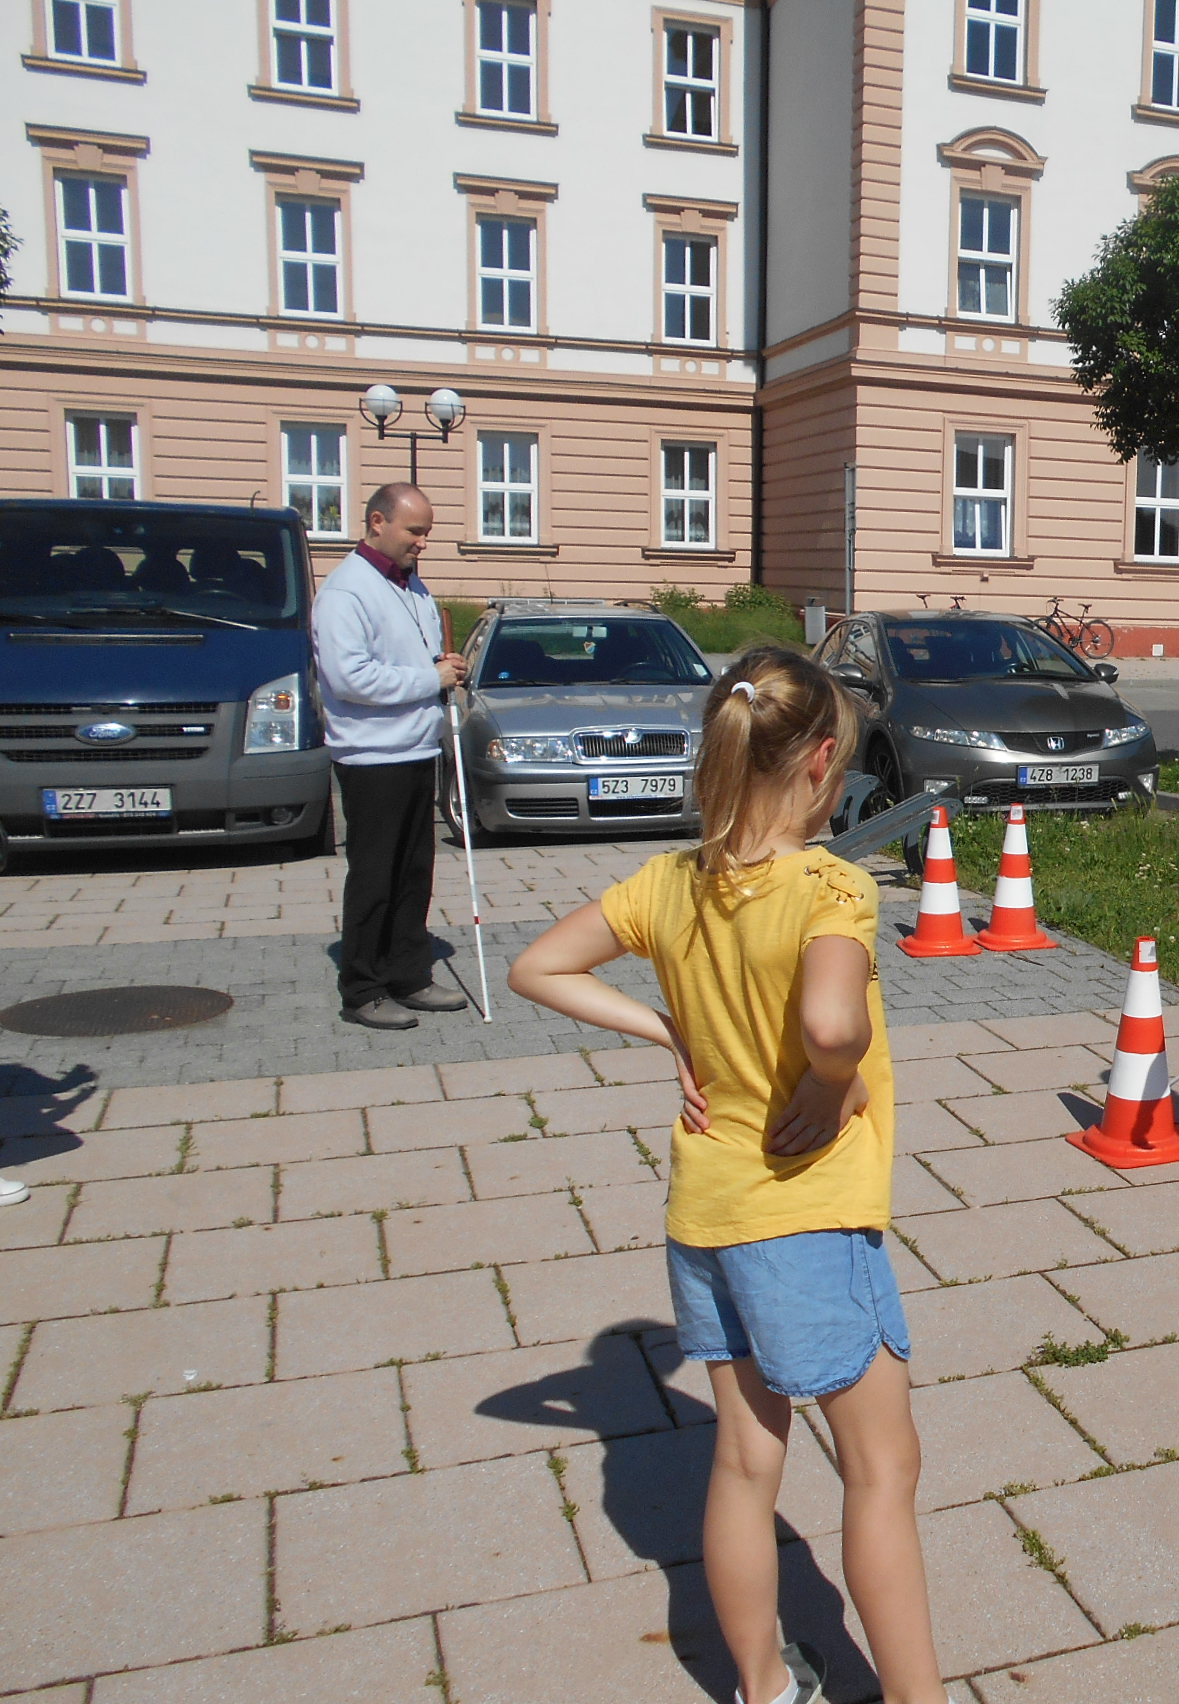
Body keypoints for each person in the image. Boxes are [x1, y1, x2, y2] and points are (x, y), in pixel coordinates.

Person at [508, 648, 945, 1704]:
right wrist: (835, 1082)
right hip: (806, 1220)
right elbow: (832, 1022)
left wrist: (666, 1028)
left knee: (747, 1462)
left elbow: (537, 966)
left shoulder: (667, 883)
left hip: (705, 1216)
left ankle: (763, 1686)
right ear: (824, 762)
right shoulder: (832, 886)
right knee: (883, 1471)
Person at [312, 483, 470, 1030]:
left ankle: (409, 973)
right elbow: (348, 677)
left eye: (427, 533)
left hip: (415, 747)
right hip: (372, 756)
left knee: (413, 873)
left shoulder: (411, 584)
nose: (422, 542)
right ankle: (363, 988)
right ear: (377, 522)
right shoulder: (346, 591)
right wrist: (429, 677)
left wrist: (443, 664)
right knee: (375, 876)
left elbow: (412, 657)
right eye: (415, 531)